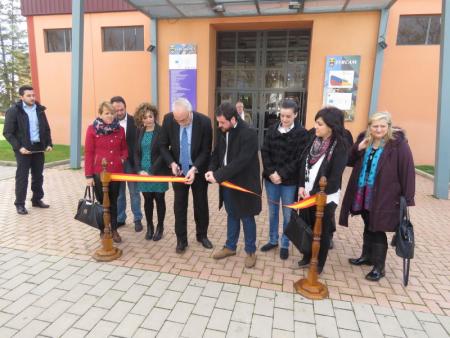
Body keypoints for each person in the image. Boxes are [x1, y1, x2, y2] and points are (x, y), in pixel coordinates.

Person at [339, 112, 415, 281]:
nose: (378, 129)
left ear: (388, 126)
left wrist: (408, 198)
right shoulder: (365, 140)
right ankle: (367, 257)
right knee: (368, 223)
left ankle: (379, 267)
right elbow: (348, 160)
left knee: (377, 228)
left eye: (382, 126)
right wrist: (359, 148)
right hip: (363, 191)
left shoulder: (397, 145)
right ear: (370, 127)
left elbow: (407, 171)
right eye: (375, 126)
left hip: (385, 194)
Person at [206, 102, 261, 269]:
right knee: (232, 214)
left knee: (246, 217)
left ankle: (250, 251)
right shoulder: (224, 131)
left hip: (244, 185)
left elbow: (241, 162)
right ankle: (230, 247)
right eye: (218, 122)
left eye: (222, 122)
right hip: (228, 184)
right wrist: (211, 170)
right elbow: (216, 154)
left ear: (233, 119)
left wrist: (218, 175)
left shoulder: (249, 134)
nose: (219, 125)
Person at [297, 106, 348, 274]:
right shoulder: (314, 138)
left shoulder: (340, 146)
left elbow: (333, 179)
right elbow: (303, 163)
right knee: (307, 226)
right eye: (316, 123)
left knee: (321, 230)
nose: (316, 127)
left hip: (325, 198)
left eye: (320, 124)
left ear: (331, 126)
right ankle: (307, 255)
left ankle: (319, 263)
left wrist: (313, 194)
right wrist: (301, 186)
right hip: (307, 193)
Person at [159, 98, 213, 253]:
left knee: (201, 204)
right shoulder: (169, 119)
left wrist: (195, 168)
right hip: (179, 170)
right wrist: (172, 163)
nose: (180, 123)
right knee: (179, 206)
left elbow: (206, 150)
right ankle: (181, 240)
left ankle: (202, 235)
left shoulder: (204, 122)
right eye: (178, 120)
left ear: (190, 112)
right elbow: (162, 145)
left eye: (183, 120)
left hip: (197, 168)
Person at [260, 99, 309, 260]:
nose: (285, 119)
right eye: (282, 115)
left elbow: (299, 159)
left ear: (295, 114)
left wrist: (281, 174)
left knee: (288, 214)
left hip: (289, 183)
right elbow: (265, 151)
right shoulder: (272, 128)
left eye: (288, 116)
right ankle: (273, 240)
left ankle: (285, 243)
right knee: (273, 212)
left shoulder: (302, 133)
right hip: (271, 180)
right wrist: (271, 172)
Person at [3, 85, 53, 215]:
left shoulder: (40, 110)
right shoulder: (14, 111)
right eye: (29, 96)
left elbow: (46, 129)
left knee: (38, 176)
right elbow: (8, 133)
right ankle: (20, 204)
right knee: (22, 177)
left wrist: (48, 143)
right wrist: (19, 147)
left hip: (38, 148)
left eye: (33, 95)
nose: (32, 98)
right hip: (23, 149)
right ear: (21, 97)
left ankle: (37, 200)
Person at [85, 101, 128, 243]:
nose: (110, 116)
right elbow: (89, 153)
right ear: (100, 114)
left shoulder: (120, 129)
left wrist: (122, 158)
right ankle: (103, 229)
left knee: (114, 201)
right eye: (107, 113)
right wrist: (89, 175)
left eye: (112, 113)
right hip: (99, 173)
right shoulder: (92, 129)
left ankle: (114, 229)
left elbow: (124, 149)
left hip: (115, 171)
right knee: (102, 202)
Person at [134, 103, 168, 241]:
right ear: (141, 120)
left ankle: (160, 227)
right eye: (145, 117)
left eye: (150, 116)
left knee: (159, 199)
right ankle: (150, 226)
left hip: (158, 171)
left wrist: (152, 170)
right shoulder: (139, 131)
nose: (148, 119)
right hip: (143, 172)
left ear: (154, 116)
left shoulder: (161, 131)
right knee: (147, 199)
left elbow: (163, 152)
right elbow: (136, 153)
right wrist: (139, 170)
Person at [111, 96, 143, 232]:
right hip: (116, 163)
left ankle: (137, 219)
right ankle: (120, 218)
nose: (119, 112)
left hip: (131, 162)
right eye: (116, 110)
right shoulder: (109, 123)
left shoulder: (134, 121)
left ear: (125, 107)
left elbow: (138, 143)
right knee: (119, 194)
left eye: (121, 109)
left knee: (134, 192)